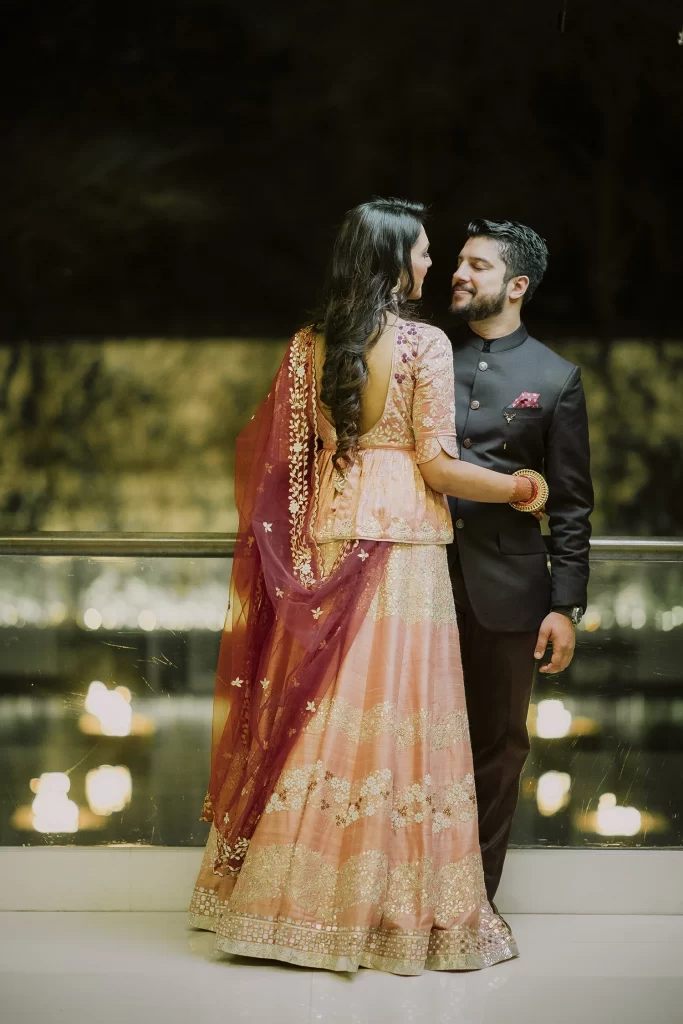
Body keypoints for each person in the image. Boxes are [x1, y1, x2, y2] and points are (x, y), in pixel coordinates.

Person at [189, 199, 546, 975]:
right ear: (389, 261)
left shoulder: (307, 347)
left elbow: (290, 468)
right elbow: (437, 466)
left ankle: (284, 905)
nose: (430, 264)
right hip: (405, 545)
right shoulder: (423, 344)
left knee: (322, 713)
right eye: (420, 252)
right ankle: (384, 913)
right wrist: (520, 488)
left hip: (327, 537)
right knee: (402, 722)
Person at [447, 218, 593, 904]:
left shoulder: (555, 377)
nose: (459, 273)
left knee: (499, 748)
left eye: (476, 265)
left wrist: (564, 605)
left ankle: (473, 901)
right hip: (410, 582)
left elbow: (569, 505)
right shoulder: (421, 356)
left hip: (509, 592)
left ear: (515, 285)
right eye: (458, 262)